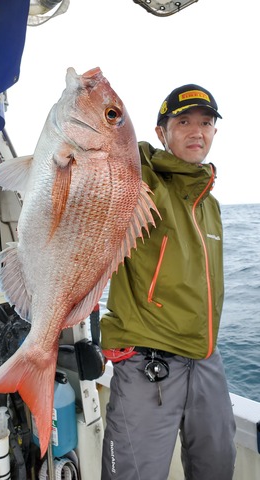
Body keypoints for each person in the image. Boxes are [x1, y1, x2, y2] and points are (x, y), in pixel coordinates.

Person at [100, 84, 236, 480]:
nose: (198, 131)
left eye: (207, 123)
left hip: (206, 357)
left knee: (217, 466)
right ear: (161, 132)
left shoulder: (209, 203)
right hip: (149, 361)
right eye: (184, 122)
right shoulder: (141, 183)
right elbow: (108, 160)